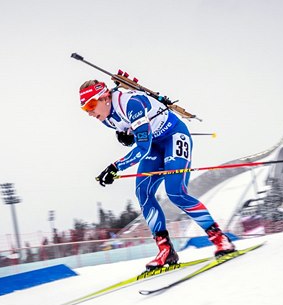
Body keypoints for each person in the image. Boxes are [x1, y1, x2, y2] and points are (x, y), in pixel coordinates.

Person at [78, 80, 235, 270]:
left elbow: (142, 147)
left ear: (104, 97)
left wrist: (116, 167)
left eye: (91, 105)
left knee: (175, 192)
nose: (89, 112)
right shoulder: (105, 118)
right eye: (84, 109)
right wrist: (127, 136)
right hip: (154, 145)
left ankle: (220, 239)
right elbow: (135, 135)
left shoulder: (130, 103)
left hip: (174, 135)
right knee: (143, 192)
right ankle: (165, 249)